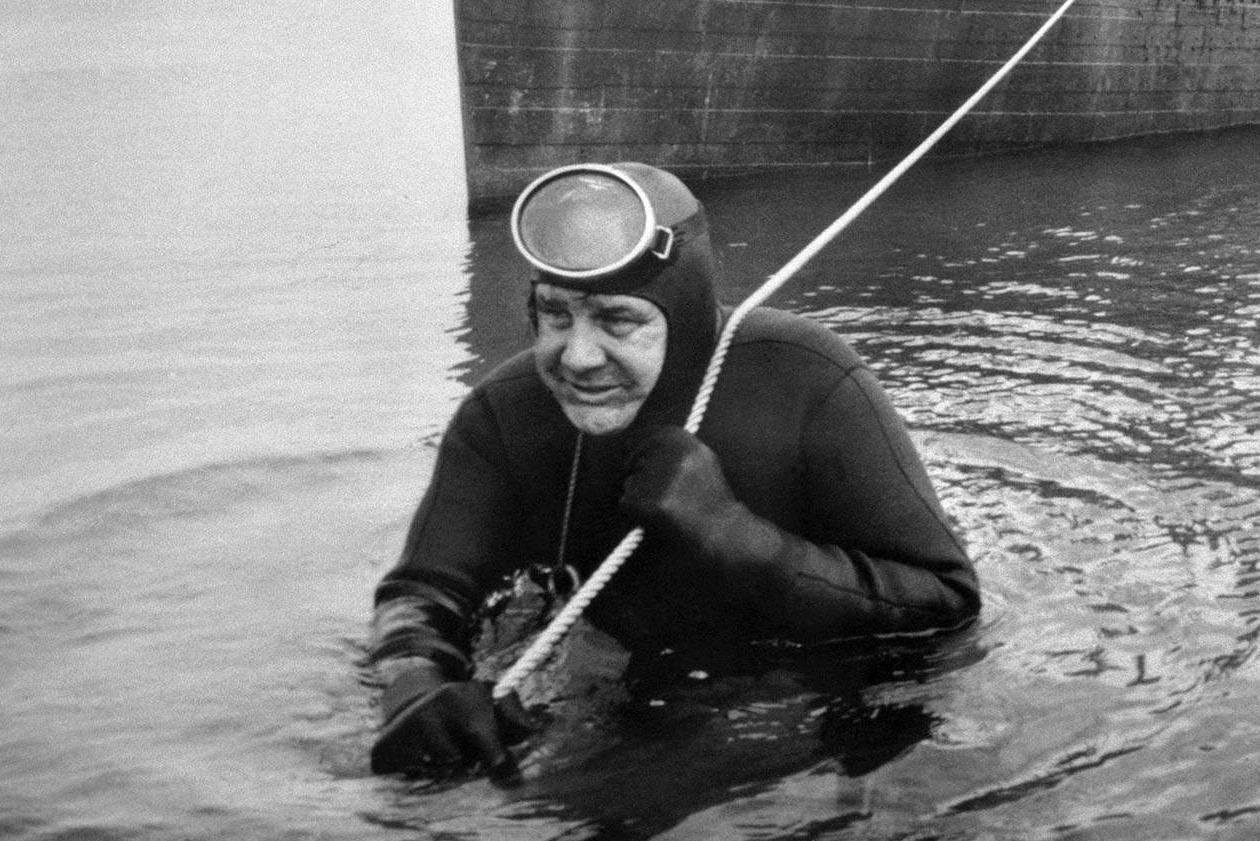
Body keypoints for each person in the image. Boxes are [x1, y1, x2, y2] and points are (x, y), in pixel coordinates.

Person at [367, 162, 981, 778]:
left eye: (618, 320)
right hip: (598, 681)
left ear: (683, 321)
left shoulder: (808, 382)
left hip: (804, 695)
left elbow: (948, 599)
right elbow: (422, 594)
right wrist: (415, 688)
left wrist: (733, 533)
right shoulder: (502, 415)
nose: (577, 357)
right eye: (556, 315)